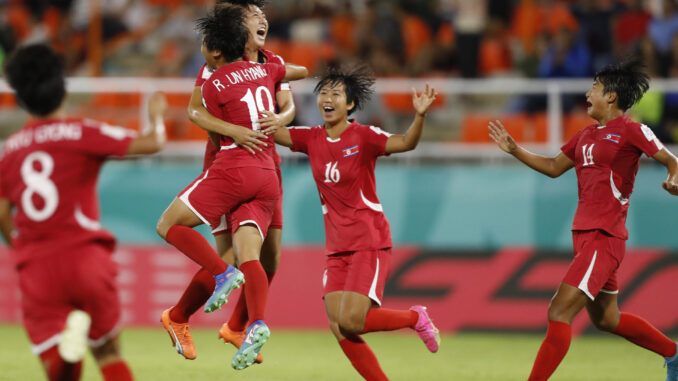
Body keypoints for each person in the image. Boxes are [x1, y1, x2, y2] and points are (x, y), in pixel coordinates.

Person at [488, 58, 678, 381]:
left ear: (612, 97)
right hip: (584, 236)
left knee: (559, 310)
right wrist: (515, 149)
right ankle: (674, 354)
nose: (588, 93)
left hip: (605, 236)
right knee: (606, 319)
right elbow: (552, 167)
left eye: (595, 88)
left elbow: (670, 159)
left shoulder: (632, 130)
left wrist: (674, 177)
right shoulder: (585, 135)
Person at [0, 43, 167, 381]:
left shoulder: (10, 151)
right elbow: (152, 143)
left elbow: (2, 211)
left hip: (38, 266)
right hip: (85, 259)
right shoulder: (83, 132)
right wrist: (158, 114)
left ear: (20, 99)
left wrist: (19, 246)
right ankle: (75, 348)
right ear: (63, 89)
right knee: (108, 354)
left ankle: (66, 356)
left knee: (58, 370)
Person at [154, 4, 307, 370]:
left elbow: (287, 105)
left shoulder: (269, 61)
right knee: (230, 257)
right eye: (253, 14)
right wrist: (234, 131)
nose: (262, 19)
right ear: (240, 28)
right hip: (230, 159)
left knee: (268, 259)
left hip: (268, 161)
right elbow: (195, 112)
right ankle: (179, 316)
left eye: (263, 13)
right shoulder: (215, 64)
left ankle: (239, 326)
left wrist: (279, 119)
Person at [273, 64, 441, 381]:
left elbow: (406, 143)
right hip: (337, 246)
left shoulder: (363, 136)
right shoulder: (311, 138)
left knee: (352, 321)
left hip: (368, 238)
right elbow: (273, 131)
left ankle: (414, 317)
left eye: (336, 93)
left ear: (350, 104)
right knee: (338, 325)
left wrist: (419, 116)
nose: (327, 98)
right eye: (323, 92)